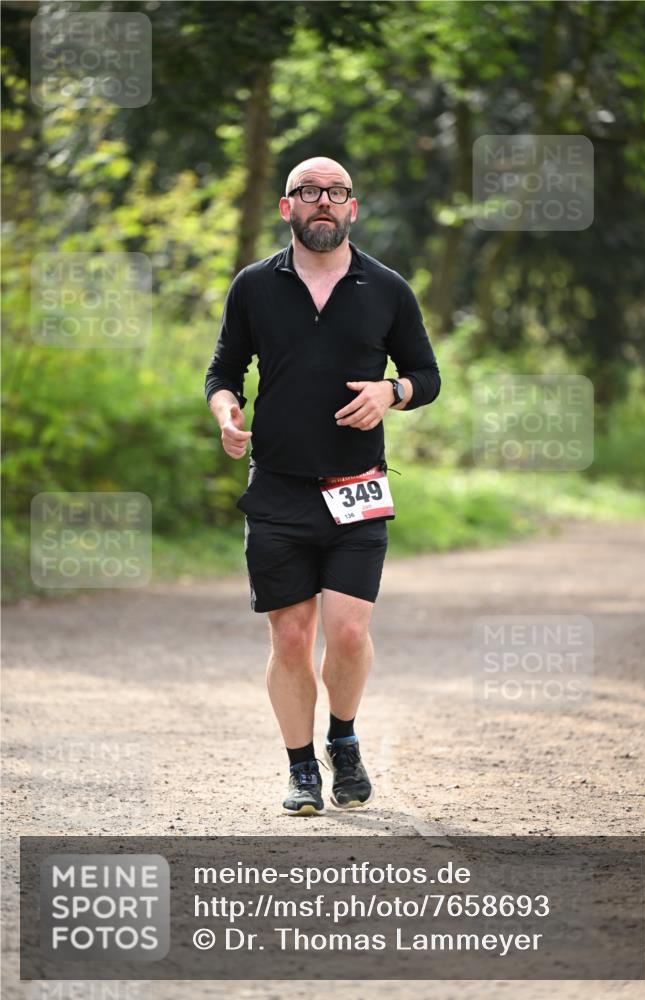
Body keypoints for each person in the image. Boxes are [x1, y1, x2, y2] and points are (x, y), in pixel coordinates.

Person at [205, 156, 440, 815]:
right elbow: (222, 370)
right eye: (309, 193)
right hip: (277, 488)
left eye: (336, 194)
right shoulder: (253, 286)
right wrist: (226, 411)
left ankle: (342, 735)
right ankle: (301, 767)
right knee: (288, 636)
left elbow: (427, 374)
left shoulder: (386, 288)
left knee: (344, 631)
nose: (323, 203)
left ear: (352, 209)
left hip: (356, 485)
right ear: (287, 208)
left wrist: (392, 391)